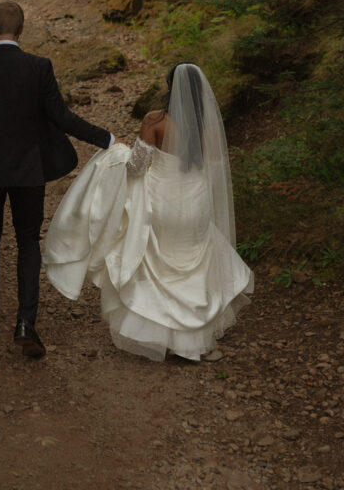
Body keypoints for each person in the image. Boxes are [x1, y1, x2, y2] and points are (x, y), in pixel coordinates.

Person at [0, 0, 115, 358]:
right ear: (21, 31)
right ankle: (24, 322)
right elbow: (62, 117)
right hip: (28, 172)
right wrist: (106, 138)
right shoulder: (38, 68)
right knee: (28, 241)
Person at [42, 62, 253, 361]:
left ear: (171, 87)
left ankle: (163, 337)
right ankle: (195, 342)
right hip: (195, 203)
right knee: (194, 266)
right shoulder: (209, 129)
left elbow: (136, 167)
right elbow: (216, 174)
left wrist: (116, 154)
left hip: (163, 202)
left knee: (161, 268)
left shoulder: (155, 120)